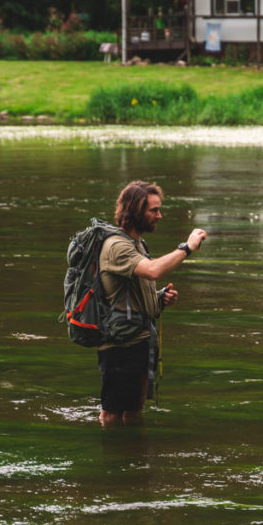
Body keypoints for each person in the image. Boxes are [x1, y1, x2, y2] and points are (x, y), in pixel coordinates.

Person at [97, 180, 207, 425]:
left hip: (141, 340)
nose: (160, 215)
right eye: (153, 210)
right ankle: (114, 460)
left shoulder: (137, 244)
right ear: (135, 211)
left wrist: (158, 300)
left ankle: (135, 459)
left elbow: (132, 293)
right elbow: (153, 270)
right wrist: (186, 248)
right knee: (112, 415)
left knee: (135, 413)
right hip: (119, 346)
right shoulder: (116, 246)